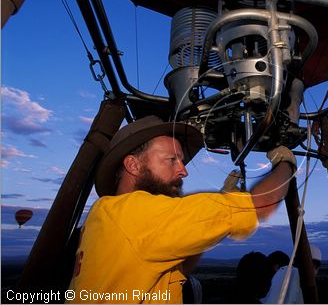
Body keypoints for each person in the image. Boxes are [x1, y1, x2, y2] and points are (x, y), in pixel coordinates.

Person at [66, 116, 296, 304]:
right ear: (133, 165)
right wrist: (285, 163)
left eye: (182, 160)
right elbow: (262, 204)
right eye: (171, 159)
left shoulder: (108, 215)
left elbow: (180, 269)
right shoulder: (136, 213)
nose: (183, 171)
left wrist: (217, 211)